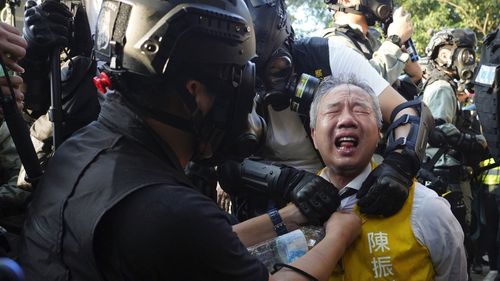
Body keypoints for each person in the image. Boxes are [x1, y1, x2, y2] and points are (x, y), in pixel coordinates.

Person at [17, 1, 361, 280]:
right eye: (239, 82)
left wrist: (292, 216)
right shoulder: (168, 210)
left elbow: (210, 247)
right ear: (195, 93)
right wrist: (338, 236)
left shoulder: (78, 148)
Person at [227, 0, 432, 221]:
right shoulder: (225, 75)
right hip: (266, 203)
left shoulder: (325, 55)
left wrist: (399, 166)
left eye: (276, 68)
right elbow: (218, 164)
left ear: (289, 42)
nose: (266, 84)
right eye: (253, 72)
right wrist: (285, 181)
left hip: (345, 193)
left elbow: (409, 112)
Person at [309, 74, 467, 280]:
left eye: (360, 109)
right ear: (313, 136)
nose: (347, 119)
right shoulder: (291, 211)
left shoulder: (426, 209)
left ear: (379, 134)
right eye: (333, 110)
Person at [322, 0, 422, 91]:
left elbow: (392, 92)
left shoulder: (371, 40)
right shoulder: (335, 43)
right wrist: (395, 39)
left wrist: (414, 76)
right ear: (346, 1)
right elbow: (364, 86)